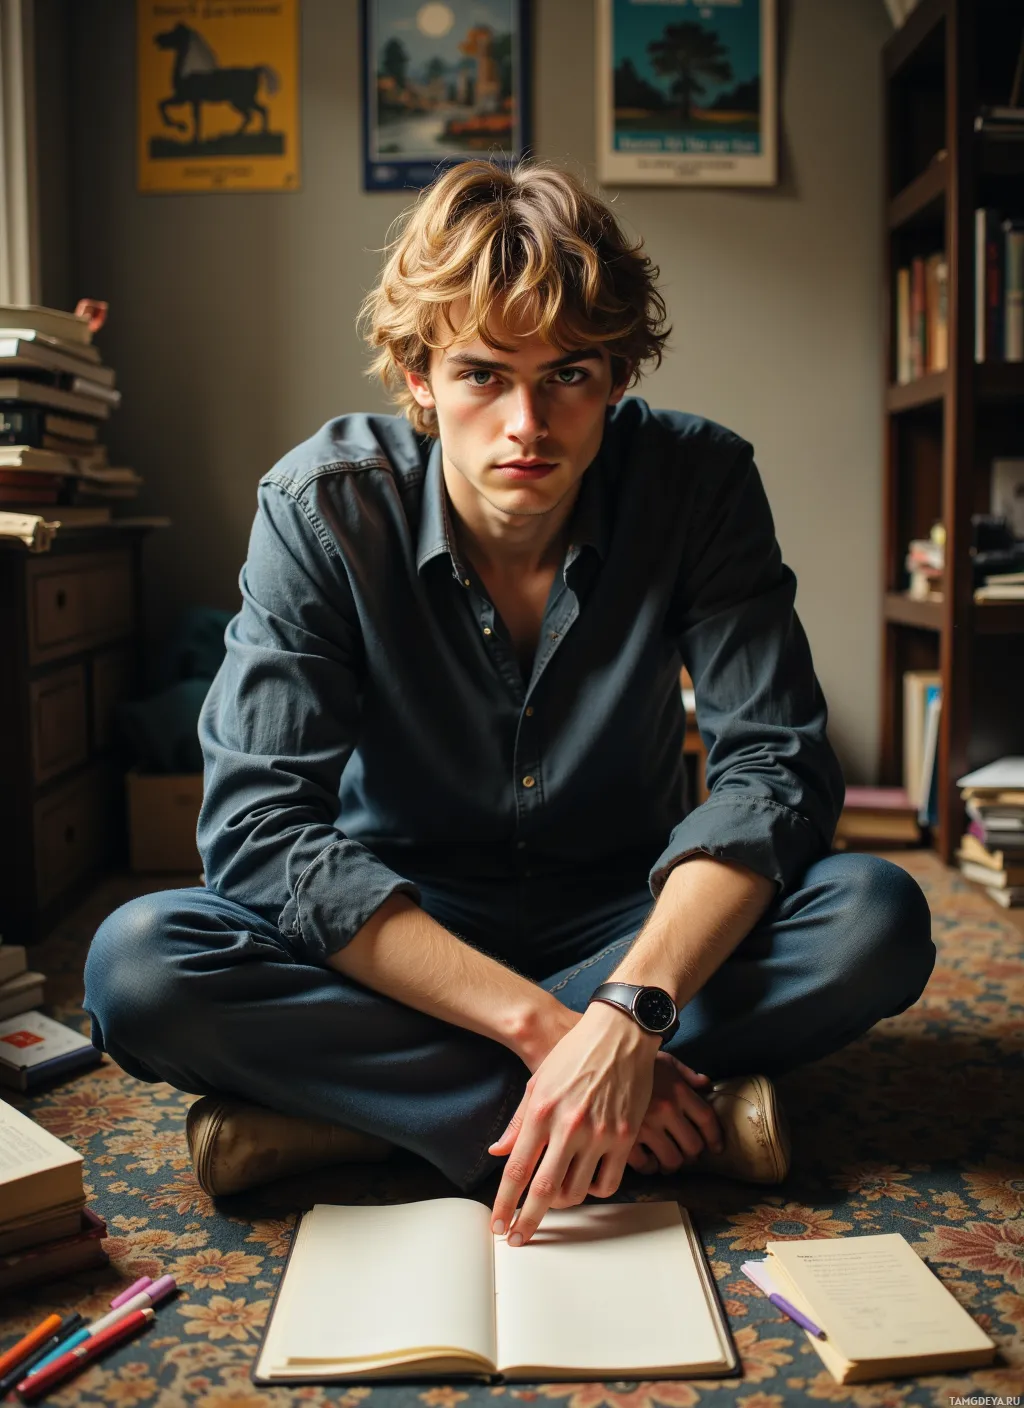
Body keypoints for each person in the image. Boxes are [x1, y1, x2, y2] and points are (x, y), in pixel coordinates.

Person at [84, 159, 935, 1246]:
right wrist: (554, 1031)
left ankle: (354, 1126)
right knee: (139, 965)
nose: (527, 422)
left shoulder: (697, 483)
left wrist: (633, 1002)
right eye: (483, 373)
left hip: (628, 915)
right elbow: (258, 829)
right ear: (419, 376)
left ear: (620, 374)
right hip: (397, 928)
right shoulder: (321, 506)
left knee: (874, 918)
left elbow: (773, 769)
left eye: (570, 374)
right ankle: (656, 1116)